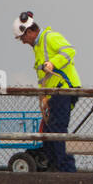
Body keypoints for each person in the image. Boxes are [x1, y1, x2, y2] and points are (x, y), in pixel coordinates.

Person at [14, 11, 80, 172]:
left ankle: (66, 169)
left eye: (22, 38)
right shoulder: (38, 46)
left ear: (29, 31)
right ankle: (56, 166)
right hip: (54, 93)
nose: (23, 42)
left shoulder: (50, 37)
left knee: (57, 129)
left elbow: (70, 51)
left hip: (63, 90)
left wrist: (52, 63)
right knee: (49, 131)